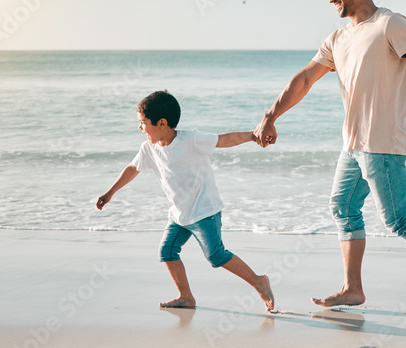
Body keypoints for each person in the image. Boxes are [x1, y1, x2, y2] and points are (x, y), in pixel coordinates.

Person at [253, 0, 406, 317]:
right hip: (353, 145)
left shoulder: (389, 24)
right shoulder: (337, 38)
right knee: (343, 206)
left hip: (381, 141)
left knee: (398, 218)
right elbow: (304, 79)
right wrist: (271, 114)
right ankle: (353, 288)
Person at [97, 90, 275, 312]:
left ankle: (259, 281)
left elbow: (223, 140)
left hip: (204, 211)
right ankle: (186, 297)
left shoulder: (190, 140)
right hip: (180, 214)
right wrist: (110, 192)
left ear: (162, 123)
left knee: (216, 256)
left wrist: (252, 135)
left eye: (143, 123)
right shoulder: (149, 148)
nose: (140, 128)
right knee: (167, 251)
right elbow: (133, 169)